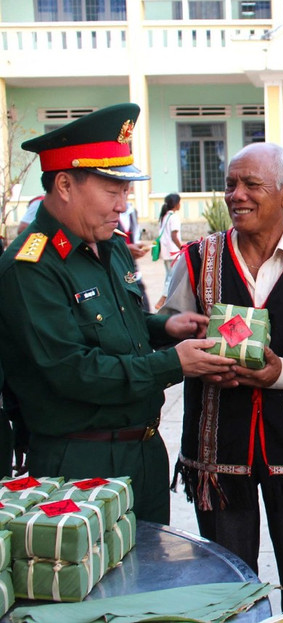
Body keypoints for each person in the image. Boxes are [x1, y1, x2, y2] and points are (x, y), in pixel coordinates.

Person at [0, 103, 236, 524]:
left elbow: (116, 326)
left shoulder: (106, 246)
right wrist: (174, 363)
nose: (122, 204)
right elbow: (72, 370)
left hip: (142, 451)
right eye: (113, 191)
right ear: (66, 184)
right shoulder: (30, 268)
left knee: (150, 580)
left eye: (125, 191)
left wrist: (166, 328)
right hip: (79, 462)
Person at [162, 142, 283, 607]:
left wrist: (281, 371)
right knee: (226, 584)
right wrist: (200, 360)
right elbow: (169, 336)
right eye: (230, 185)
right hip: (216, 453)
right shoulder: (197, 259)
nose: (236, 195)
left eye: (250, 185)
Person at [118, 196, 151, 312]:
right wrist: (124, 249)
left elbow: (136, 235)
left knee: (142, 305)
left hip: (132, 267)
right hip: (116, 267)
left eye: (125, 190)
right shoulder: (105, 212)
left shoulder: (132, 212)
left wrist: (139, 248)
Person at [155, 192, 183, 309]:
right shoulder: (174, 217)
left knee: (169, 276)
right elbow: (174, 235)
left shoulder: (164, 216)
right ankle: (163, 299)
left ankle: (167, 299)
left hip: (165, 251)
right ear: (176, 204)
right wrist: (182, 248)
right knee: (172, 277)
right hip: (173, 252)